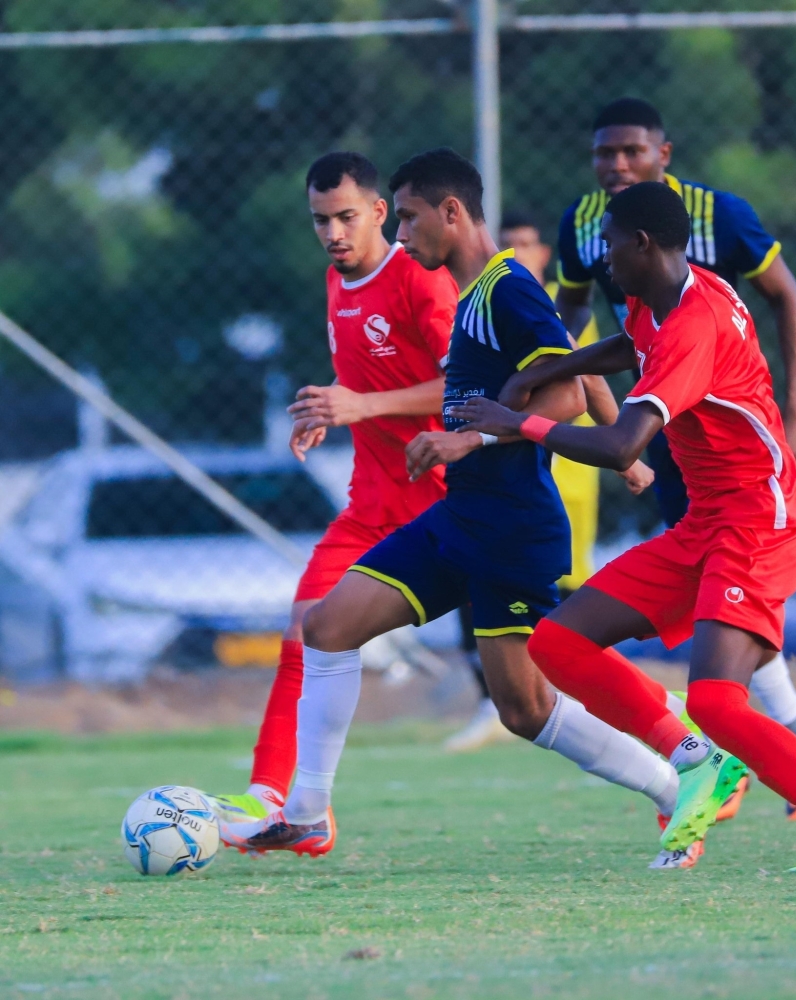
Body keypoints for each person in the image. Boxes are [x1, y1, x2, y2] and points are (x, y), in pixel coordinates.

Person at [220, 150, 739, 861]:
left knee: (524, 709)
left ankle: (674, 781)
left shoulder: (504, 289)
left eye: (406, 217)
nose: (400, 234)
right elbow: (572, 372)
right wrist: (619, 451)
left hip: (511, 526)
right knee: (329, 625)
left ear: (452, 213)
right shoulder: (474, 296)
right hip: (461, 517)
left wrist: (466, 442)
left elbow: (558, 385)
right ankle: (307, 813)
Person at [456, 182, 796, 873]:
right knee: (559, 643)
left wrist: (520, 423)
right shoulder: (655, 295)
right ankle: (697, 761)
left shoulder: (696, 323)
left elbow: (622, 447)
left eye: (609, 245)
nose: (601, 259)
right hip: (708, 521)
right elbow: (630, 345)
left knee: (718, 702)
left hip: (760, 520)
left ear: (642, 245)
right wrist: (556, 367)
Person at [556, 97, 796, 821]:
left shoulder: (716, 230)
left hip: (738, 471)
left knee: (720, 670)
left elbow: (784, 296)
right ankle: (727, 750)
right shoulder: (607, 244)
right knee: (568, 642)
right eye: (604, 154)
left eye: (631, 152)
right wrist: (541, 371)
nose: (616, 165)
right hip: (682, 453)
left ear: (664, 156)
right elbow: (596, 325)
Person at [208, 151, 457, 825]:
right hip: (371, 505)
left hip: (449, 506)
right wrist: (327, 414)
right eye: (321, 220)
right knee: (306, 629)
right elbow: (362, 382)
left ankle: (683, 752)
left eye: (346, 216)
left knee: (539, 673)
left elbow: (463, 389)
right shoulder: (335, 281)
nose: (334, 233)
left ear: (380, 211)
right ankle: (275, 799)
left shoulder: (422, 282)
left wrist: (363, 407)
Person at [445, 212, 653, 753]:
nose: (515, 251)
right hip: (505, 481)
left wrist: (624, 456)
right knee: (505, 607)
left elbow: (583, 377)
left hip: (561, 480)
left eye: (526, 244)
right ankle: (502, 699)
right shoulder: (482, 296)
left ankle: (658, 715)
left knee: (562, 617)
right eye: (508, 243)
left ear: (544, 255)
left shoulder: (525, 296)